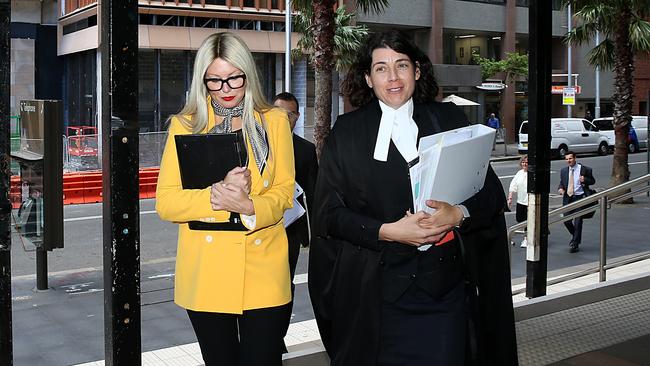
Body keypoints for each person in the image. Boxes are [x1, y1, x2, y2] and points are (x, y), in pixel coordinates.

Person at [308, 31, 518, 366]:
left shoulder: (448, 119)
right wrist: (387, 231)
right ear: (368, 77)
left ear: (417, 72)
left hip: (444, 293)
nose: (392, 77)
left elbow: (491, 194)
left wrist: (458, 213)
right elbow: (328, 215)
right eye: (381, 68)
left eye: (401, 65)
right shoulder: (346, 132)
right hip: (376, 297)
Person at [155, 32, 295, 366]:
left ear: (248, 73)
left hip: (263, 269)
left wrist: (250, 207)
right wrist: (217, 197)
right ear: (202, 80)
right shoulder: (184, 125)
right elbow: (167, 202)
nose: (226, 88)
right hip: (206, 273)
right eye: (215, 80)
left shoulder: (274, 121)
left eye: (234, 77)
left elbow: (284, 192)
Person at [272, 91, 318, 351]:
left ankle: (278, 336)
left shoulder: (305, 150)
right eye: (277, 112)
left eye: (287, 114)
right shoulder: (257, 144)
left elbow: (313, 193)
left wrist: (311, 237)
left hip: (290, 231)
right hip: (262, 228)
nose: (282, 118)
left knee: (284, 285)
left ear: (296, 118)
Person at [557, 151, 595, 253]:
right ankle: (575, 236)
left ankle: (575, 244)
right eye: (567, 159)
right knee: (567, 221)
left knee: (578, 221)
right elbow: (562, 182)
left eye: (570, 158)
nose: (568, 161)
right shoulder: (564, 171)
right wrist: (560, 188)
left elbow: (592, 181)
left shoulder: (584, 169)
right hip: (568, 198)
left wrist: (585, 179)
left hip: (580, 198)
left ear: (575, 158)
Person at [508, 155, 529, 247]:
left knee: (527, 221)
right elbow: (513, 185)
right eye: (523, 162)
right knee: (519, 219)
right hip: (520, 201)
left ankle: (526, 239)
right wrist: (510, 198)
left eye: (526, 162)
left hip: (529, 201)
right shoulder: (519, 173)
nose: (524, 164)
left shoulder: (531, 173)